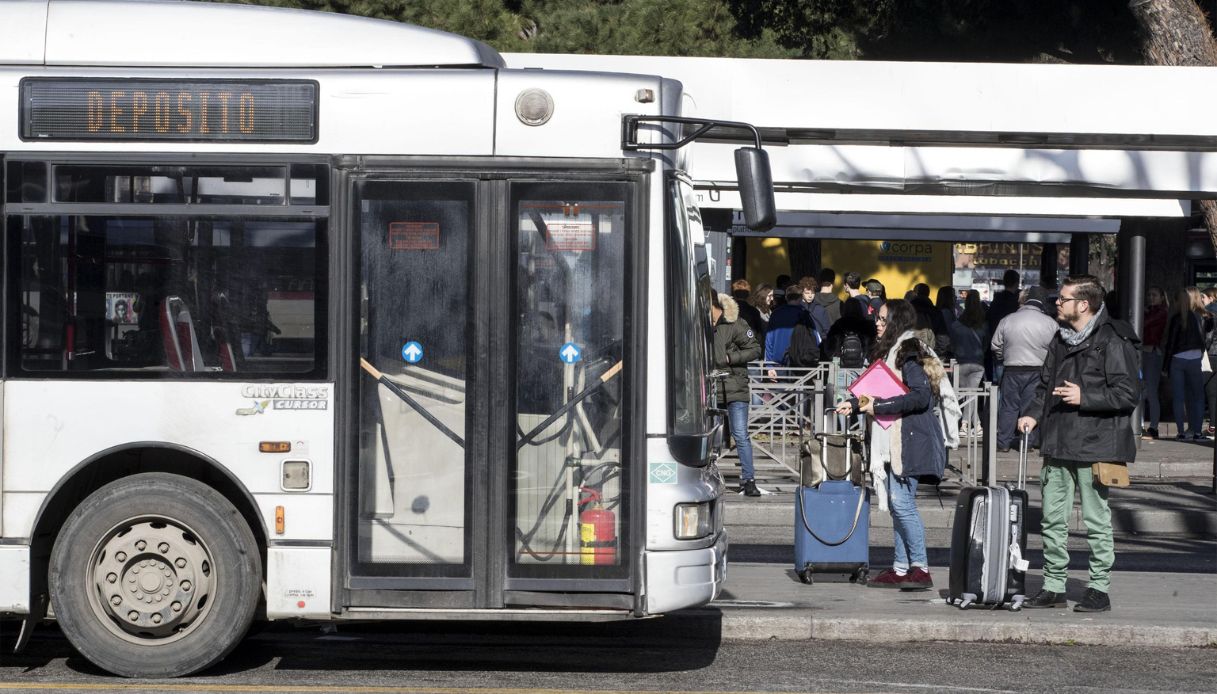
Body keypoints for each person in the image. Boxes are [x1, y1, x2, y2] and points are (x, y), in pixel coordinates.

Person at [1019, 274, 1140, 613]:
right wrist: (1032, 414)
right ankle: (1053, 586)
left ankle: (1098, 588)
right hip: (1058, 441)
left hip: (1096, 446)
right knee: (1052, 520)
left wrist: (1085, 396)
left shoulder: (1114, 339)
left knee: (1096, 521)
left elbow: (1128, 394)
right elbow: (1044, 386)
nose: (1056, 303)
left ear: (1083, 305)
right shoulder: (1060, 339)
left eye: (1063, 299)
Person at [835, 299, 946, 591]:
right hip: (896, 436)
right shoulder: (892, 352)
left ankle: (919, 568)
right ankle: (900, 567)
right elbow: (875, 393)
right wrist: (853, 405)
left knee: (902, 503)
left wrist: (878, 406)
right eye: (878, 318)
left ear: (897, 321)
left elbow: (920, 397)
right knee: (898, 506)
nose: (878, 323)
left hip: (908, 439)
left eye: (883, 319)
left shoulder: (909, 353)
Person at [990, 286, 1059, 451]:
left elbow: (995, 345)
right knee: (1030, 407)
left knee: (1008, 406)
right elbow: (1056, 349)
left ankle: (1003, 442)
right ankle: (1026, 442)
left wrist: (1004, 357)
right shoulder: (1050, 323)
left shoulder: (1008, 319)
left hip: (1012, 368)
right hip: (1037, 370)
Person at [712, 292, 762, 496]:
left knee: (740, 434)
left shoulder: (734, 323)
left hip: (734, 387)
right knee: (711, 437)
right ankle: (708, 475)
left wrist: (730, 358)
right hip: (710, 386)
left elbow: (755, 349)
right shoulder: (697, 323)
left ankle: (748, 480)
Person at [1162, 286, 1214, 441]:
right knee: (1198, 397)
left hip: (1177, 360)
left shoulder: (1176, 318)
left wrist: (1165, 366)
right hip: (1194, 360)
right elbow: (1204, 339)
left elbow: (1170, 344)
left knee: (1179, 397)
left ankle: (1181, 432)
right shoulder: (1199, 317)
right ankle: (1197, 432)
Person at [948, 290, 987, 435]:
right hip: (978, 363)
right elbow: (986, 344)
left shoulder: (956, 325)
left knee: (968, 396)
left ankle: (965, 425)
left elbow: (952, 344)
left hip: (961, 362)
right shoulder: (983, 324)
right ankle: (975, 425)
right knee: (971, 395)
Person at [1140, 286, 1169, 440]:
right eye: (1149, 294)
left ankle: (1154, 427)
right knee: (1143, 391)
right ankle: (1143, 425)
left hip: (1152, 352)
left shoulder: (1161, 312)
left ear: (1162, 297)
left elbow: (1143, 325)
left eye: (1154, 295)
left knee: (1150, 391)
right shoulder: (1150, 310)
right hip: (1145, 351)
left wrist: (1143, 314)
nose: (1151, 297)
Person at [764, 288, 816, 367]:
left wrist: (769, 365)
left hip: (778, 362)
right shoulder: (804, 314)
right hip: (799, 361)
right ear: (800, 298)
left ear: (786, 297)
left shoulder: (775, 314)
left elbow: (769, 340)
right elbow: (814, 337)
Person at [987, 270, 1021, 382]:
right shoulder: (1018, 303)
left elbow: (990, 322)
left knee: (999, 383)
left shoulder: (996, 301)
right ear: (1017, 283)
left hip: (999, 347)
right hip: (1015, 348)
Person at [823, 296, 876, 368]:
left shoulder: (838, 325)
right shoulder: (868, 326)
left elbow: (829, 347)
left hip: (841, 365)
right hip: (862, 365)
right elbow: (872, 347)